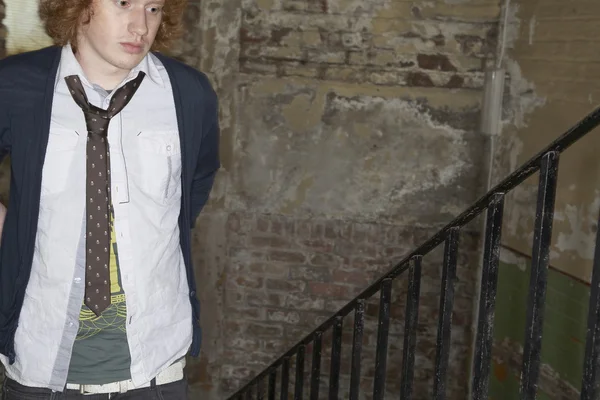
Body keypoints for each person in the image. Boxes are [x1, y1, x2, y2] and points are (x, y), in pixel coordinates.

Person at [0, 0, 220, 398]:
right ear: (77, 6)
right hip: (40, 364)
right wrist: (10, 234)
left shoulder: (189, 93)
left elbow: (195, 187)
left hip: (155, 370)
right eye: (123, 3)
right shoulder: (17, 85)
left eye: (153, 8)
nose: (140, 25)